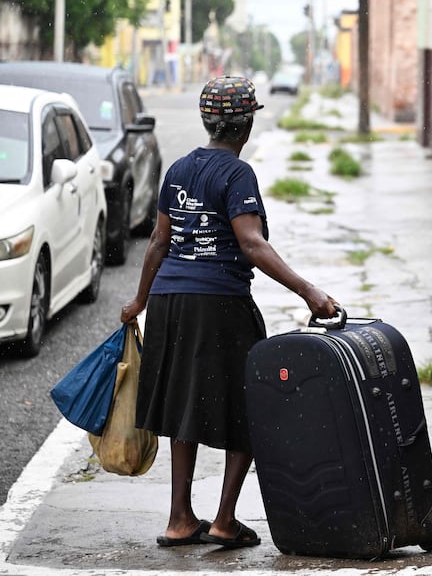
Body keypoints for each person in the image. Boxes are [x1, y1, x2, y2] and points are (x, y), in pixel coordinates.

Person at [121, 75, 340, 549]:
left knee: (182, 404)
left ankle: (180, 519)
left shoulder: (179, 168)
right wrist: (308, 291)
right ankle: (223, 519)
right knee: (252, 401)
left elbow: (159, 242)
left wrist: (140, 301)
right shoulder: (237, 174)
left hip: (169, 303)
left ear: (208, 121)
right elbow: (251, 242)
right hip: (219, 304)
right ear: (245, 126)